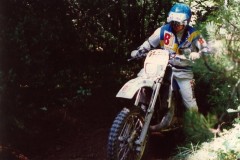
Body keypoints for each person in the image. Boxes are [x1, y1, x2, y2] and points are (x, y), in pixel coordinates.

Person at [131, 3, 209, 131]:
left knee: (189, 101)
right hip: (161, 67)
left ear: (186, 22)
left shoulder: (194, 34)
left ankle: (199, 130)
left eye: (179, 23)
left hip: (183, 71)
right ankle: (139, 111)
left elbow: (205, 47)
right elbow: (149, 43)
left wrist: (199, 53)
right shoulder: (163, 30)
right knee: (142, 78)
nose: (176, 25)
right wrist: (140, 50)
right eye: (173, 22)